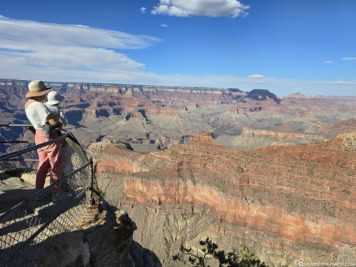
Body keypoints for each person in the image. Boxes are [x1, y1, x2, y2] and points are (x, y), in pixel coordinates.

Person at [24, 80, 71, 202]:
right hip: (49, 136)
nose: (46, 95)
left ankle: (38, 191)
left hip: (38, 135)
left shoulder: (28, 104)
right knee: (56, 164)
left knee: (43, 163)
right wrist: (57, 115)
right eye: (44, 92)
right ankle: (56, 193)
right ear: (39, 93)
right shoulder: (38, 105)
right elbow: (53, 122)